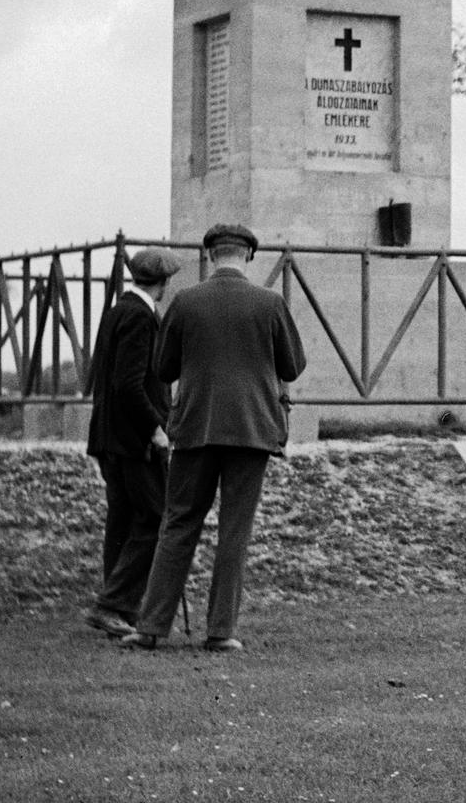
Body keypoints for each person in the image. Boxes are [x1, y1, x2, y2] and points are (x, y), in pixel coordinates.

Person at [121, 223, 306, 652]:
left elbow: (163, 368)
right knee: (234, 532)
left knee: (178, 525)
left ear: (210, 255)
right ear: (248, 256)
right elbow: (292, 366)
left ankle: (150, 626)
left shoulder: (185, 301)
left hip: (195, 428)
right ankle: (222, 631)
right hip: (252, 431)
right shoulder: (270, 303)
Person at [82, 246, 176, 638]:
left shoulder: (118, 310)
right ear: (163, 282)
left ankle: (117, 609)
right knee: (155, 519)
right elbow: (129, 383)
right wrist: (155, 428)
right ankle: (113, 604)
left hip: (109, 438)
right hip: (134, 441)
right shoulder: (140, 317)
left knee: (121, 522)